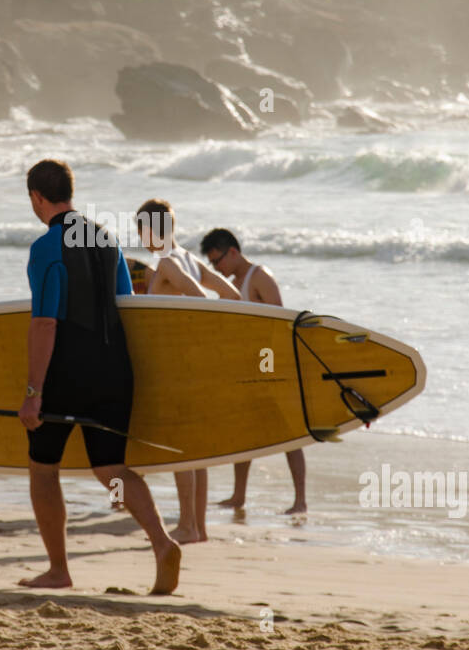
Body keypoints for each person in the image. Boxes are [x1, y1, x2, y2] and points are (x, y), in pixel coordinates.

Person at [17, 159, 180, 593]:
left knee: (43, 468)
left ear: (36, 197)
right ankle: (163, 543)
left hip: (67, 372)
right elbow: (128, 306)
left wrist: (34, 391)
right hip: (115, 369)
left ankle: (58, 570)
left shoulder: (46, 248)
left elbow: (45, 323)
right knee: (111, 466)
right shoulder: (106, 240)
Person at [136, 198, 239, 544]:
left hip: (175, 364)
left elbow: (198, 300)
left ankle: (187, 525)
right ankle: (199, 527)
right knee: (196, 447)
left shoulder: (166, 263)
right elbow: (233, 295)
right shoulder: (190, 259)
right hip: (196, 364)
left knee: (181, 445)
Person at [201, 227, 307, 514]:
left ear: (233, 252)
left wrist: (269, 370)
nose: (215, 269)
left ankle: (300, 500)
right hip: (245, 366)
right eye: (211, 264)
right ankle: (238, 496)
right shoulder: (231, 285)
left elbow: (279, 322)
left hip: (269, 364)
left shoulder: (259, 276)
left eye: (217, 261)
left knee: (289, 433)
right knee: (243, 432)